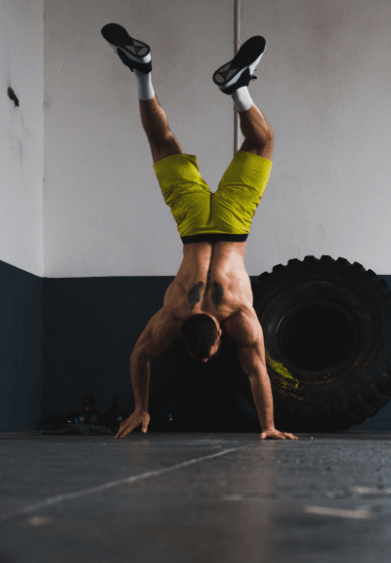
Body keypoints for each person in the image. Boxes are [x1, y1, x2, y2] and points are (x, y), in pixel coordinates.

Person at [101, 24, 296, 440]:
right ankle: (143, 72)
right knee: (163, 143)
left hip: (232, 225)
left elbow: (257, 369)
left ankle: (239, 89)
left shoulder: (239, 315)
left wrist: (270, 427)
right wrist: (140, 406)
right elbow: (138, 356)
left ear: (218, 332)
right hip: (191, 224)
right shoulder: (174, 309)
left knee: (262, 143)